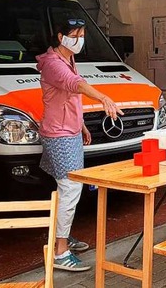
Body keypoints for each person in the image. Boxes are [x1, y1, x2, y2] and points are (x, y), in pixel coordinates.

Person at [36, 18, 123, 272]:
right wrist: (103, 97)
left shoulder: (67, 59)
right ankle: (60, 252)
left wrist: (81, 123)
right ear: (61, 37)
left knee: (67, 188)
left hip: (69, 131)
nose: (80, 39)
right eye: (76, 34)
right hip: (59, 134)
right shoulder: (53, 64)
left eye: (83, 34)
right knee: (71, 187)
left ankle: (60, 237)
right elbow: (76, 85)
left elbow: (69, 97)